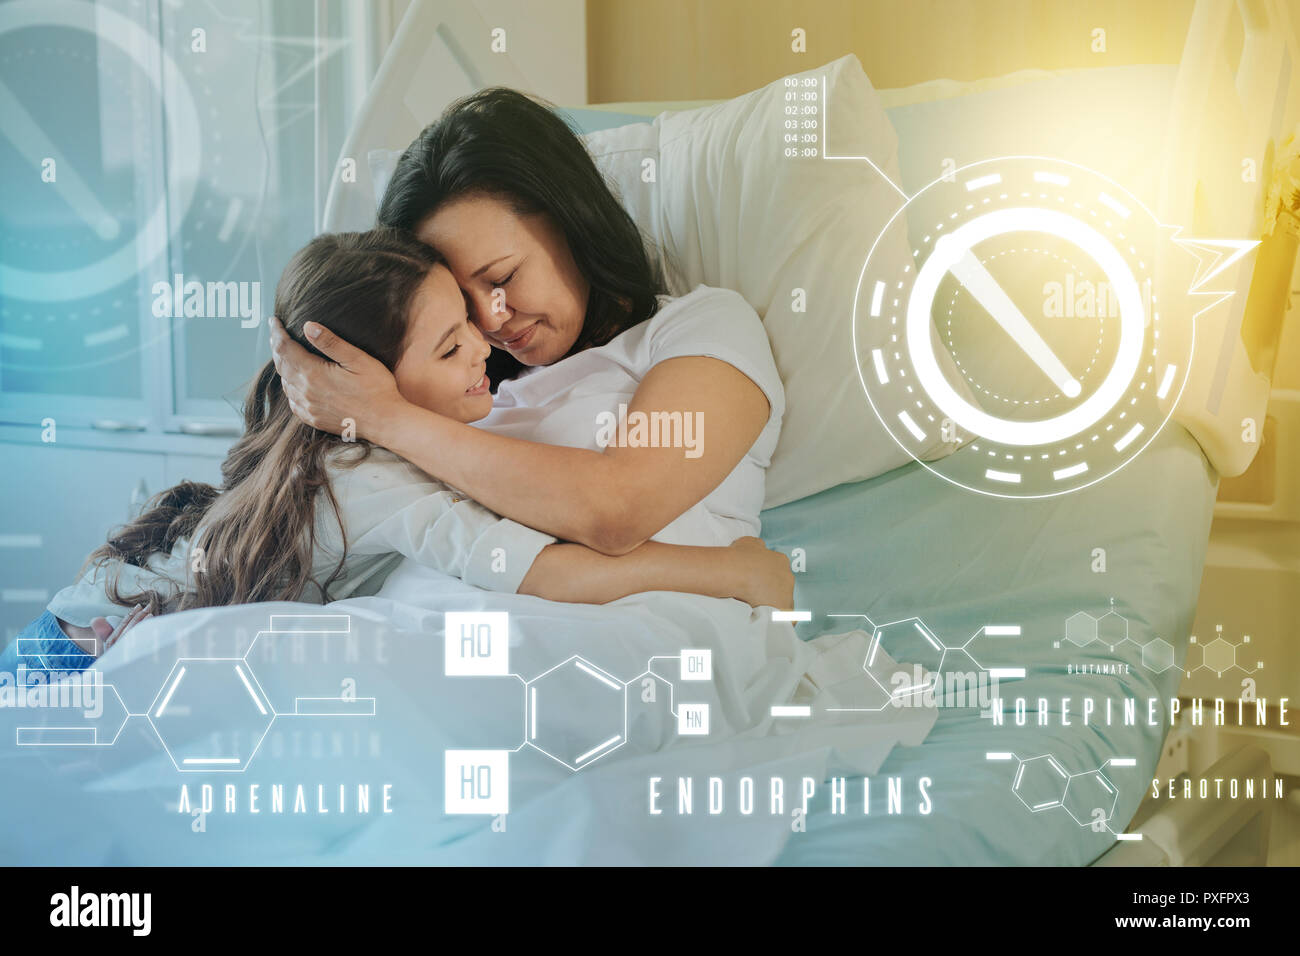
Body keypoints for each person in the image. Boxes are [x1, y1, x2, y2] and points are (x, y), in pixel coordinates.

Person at [0, 229, 792, 682]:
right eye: (451, 347)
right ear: (367, 382)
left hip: (72, 625)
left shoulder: (329, 455)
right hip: (75, 664)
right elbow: (546, 572)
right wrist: (731, 572)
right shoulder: (373, 478)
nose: (488, 342)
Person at [270, 87, 784, 556]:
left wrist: (383, 416)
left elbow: (618, 510)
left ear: (572, 219)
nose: (490, 323)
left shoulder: (703, 328)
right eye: (461, 305)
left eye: (502, 276)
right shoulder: (458, 390)